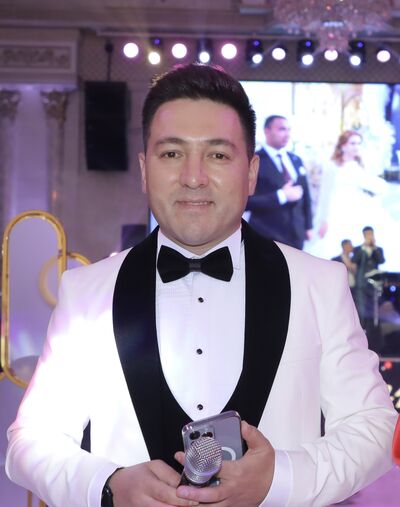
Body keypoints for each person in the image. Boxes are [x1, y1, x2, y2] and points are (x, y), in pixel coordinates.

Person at [5, 64, 396, 507]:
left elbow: (374, 426)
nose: (193, 177)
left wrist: (281, 479)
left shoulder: (318, 284)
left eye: (218, 155)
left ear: (251, 172)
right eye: (172, 153)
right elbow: (29, 441)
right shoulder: (86, 292)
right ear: (144, 169)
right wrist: (108, 485)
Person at [308, 130, 388, 260]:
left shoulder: (360, 165)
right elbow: (325, 194)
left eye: (358, 143)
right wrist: (323, 219)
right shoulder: (332, 166)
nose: (356, 147)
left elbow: (368, 183)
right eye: (352, 143)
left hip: (357, 208)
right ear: (343, 145)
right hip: (337, 210)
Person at [246, 115, 313, 249]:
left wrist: (308, 226)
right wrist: (281, 196)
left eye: (289, 130)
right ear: (267, 130)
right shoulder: (252, 161)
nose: (287, 134)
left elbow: (305, 194)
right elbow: (244, 202)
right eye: (282, 129)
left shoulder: (295, 159)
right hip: (266, 236)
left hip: (296, 236)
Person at [352, 226, 386, 353]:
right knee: (362, 310)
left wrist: (374, 247)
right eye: (367, 234)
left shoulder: (378, 249)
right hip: (361, 284)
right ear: (364, 235)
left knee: (373, 311)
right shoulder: (358, 249)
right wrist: (364, 247)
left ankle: (373, 338)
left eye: (370, 234)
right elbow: (354, 260)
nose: (369, 236)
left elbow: (381, 260)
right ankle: (362, 335)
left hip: (374, 285)